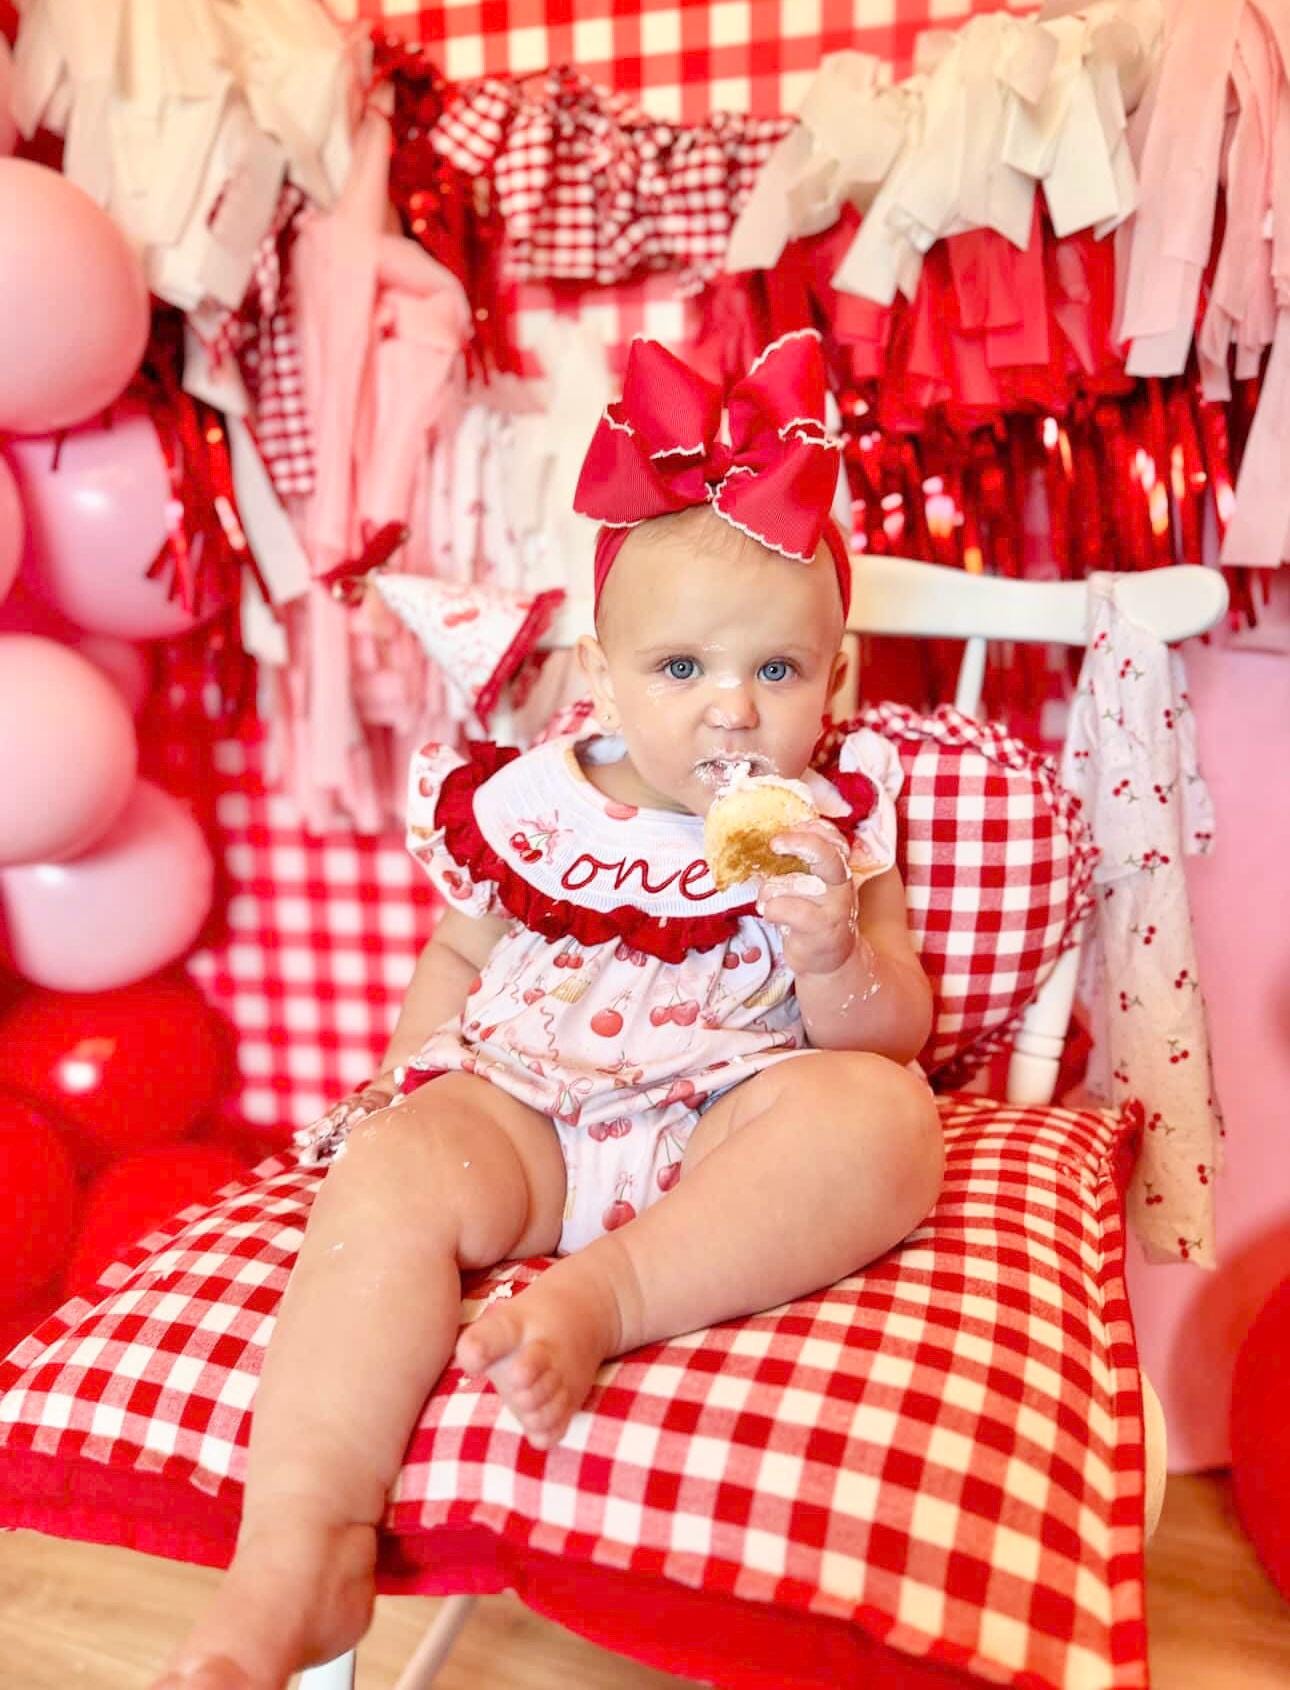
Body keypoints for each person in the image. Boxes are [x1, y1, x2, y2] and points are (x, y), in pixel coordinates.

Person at [151, 330, 944, 1690]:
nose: (728, 715)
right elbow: (459, 959)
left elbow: (889, 1029)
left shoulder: (831, 829)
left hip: (720, 1133)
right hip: (530, 1113)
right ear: (604, 671)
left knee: (881, 1118)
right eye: (682, 669)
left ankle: (607, 1294)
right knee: (398, 1171)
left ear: (839, 682)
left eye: (776, 673)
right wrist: (408, 1085)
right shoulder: (533, 803)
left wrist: (828, 954)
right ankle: (301, 1545)